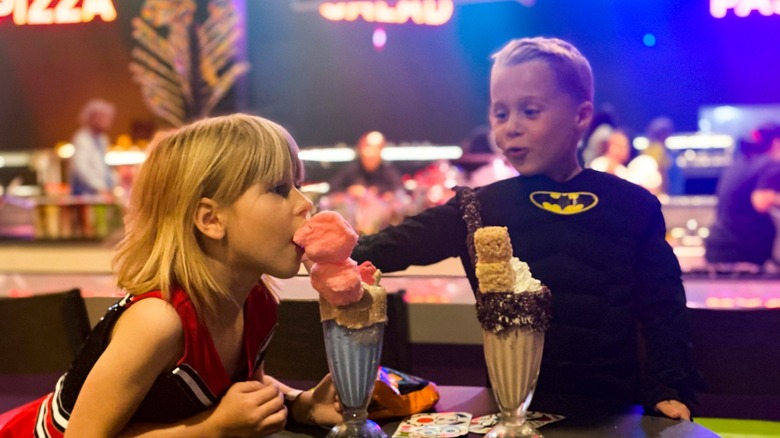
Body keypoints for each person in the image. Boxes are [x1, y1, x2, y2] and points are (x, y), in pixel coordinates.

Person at [352, 37, 700, 420]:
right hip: (509, 416)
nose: (511, 128)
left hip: (615, 416)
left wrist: (670, 389)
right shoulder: (477, 208)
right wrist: (326, 242)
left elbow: (664, 308)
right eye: (500, 114)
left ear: (581, 116)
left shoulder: (634, 206)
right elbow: (390, 246)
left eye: (530, 111)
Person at [0, 114, 340, 436]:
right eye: (280, 189)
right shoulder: (158, 322)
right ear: (210, 220)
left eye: (298, 185)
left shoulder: (257, 300)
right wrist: (213, 428)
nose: (304, 203)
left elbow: (245, 390)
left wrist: (303, 404)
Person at [705, 123, 780, 272]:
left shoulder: (739, 162)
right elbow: (760, 201)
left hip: (719, 246)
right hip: (743, 251)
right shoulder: (770, 164)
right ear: (776, 142)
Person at [329, 130, 403, 196]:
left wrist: (377, 191)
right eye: (368, 148)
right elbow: (333, 188)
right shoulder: (351, 170)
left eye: (376, 149)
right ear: (361, 149)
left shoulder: (388, 172)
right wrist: (350, 191)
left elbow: (399, 190)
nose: (371, 153)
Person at [68, 99, 116, 196]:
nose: (107, 120)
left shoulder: (102, 139)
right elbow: (81, 169)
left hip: (100, 192)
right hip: (85, 194)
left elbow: (104, 168)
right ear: (92, 118)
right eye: (103, 117)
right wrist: (100, 187)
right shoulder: (82, 138)